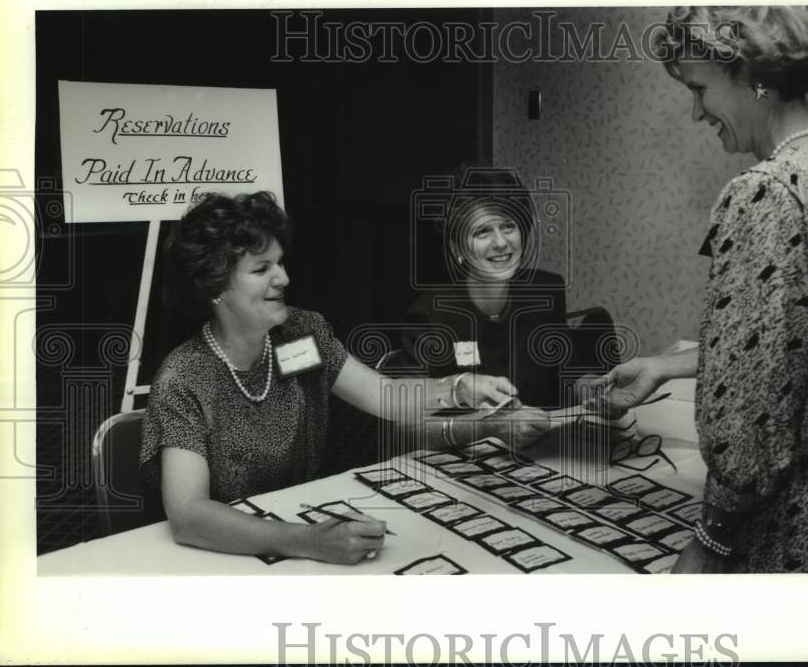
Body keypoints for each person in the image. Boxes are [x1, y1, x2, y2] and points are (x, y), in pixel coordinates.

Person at [589, 6, 808, 573]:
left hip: (796, 527)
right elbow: (806, 347)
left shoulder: (762, 194)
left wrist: (711, 541)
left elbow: (750, 416)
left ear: (749, 76)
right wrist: (668, 365)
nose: (694, 112)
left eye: (699, 89)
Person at [140, 191, 549, 565]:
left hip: (300, 535)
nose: (282, 278)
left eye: (280, 262)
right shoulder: (184, 377)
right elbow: (189, 515)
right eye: (261, 268)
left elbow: (382, 393)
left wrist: (457, 387)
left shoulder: (302, 332)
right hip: (224, 555)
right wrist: (308, 541)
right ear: (215, 286)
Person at [402, 165, 603, 412]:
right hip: (470, 447)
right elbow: (410, 420)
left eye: (508, 226)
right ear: (457, 250)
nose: (500, 242)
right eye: (482, 231)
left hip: (542, 445)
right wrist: (493, 428)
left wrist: (593, 387)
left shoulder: (545, 289)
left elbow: (567, 367)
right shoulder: (431, 314)